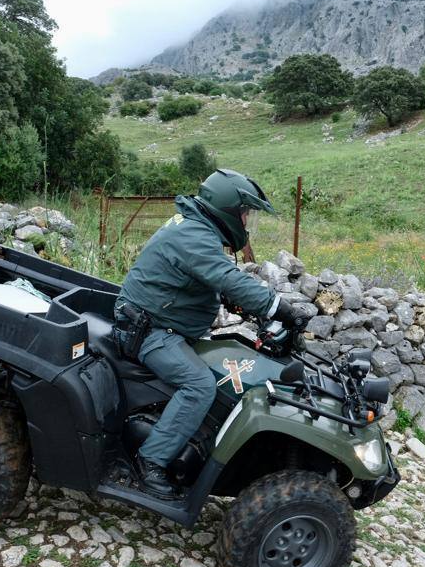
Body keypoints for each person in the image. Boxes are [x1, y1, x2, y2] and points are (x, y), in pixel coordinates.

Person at [115, 168, 303, 498]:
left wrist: (237, 303)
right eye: (245, 214)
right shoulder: (194, 235)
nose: (246, 223)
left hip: (160, 321)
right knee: (200, 384)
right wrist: (277, 307)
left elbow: (203, 278)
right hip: (149, 330)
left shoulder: (195, 227)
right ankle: (151, 461)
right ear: (228, 210)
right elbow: (226, 277)